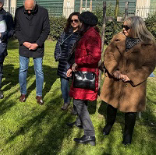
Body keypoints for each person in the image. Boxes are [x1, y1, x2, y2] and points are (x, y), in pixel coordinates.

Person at [101, 16, 156, 145]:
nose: (123, 30)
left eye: (126, 27)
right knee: (111, 104)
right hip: (115, 78)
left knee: (131, 110)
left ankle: (128, 134)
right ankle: (109, 124)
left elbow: (149, 65)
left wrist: (131, 76)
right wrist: (114, 70)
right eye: (123, 27)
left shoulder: (149, 44)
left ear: (137, 28)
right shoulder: (118, 38)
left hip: (134, 83)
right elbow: (108, 54)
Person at [66, 11, 101, 146]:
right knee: (81, 100)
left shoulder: (91, 35)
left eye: (79, 21)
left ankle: (89, 135)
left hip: (86, 73)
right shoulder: (87, 33)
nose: (77, 24)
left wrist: (78, 61)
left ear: (84, 23)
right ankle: (79, 122)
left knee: (78, 103)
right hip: (82, 72)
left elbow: (95, 57)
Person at [15, 0, 50, 105]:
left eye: (31, 10)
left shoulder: (43, 12)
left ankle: (39, 95)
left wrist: (37, 43)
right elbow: (16, 29)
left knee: (39, 71)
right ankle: (23, 93)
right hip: (24, 45)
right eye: (27, 10)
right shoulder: (19, 11)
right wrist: (23, 42)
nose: (29, 12)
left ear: (35, 6)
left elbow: (46, 30)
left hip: (37, 46)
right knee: (22, 70)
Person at [54, 12, 80, 110]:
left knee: (76, 84)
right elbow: (58, 43)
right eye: (71, 20)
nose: (73, 22)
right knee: (64, 83)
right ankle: (66, 101)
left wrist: (76, 63)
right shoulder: (66, 32)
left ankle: (76, 105)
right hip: (64, 62)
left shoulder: (82, 34)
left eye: (76, 20)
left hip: (75, 63)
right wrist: (58, 55)